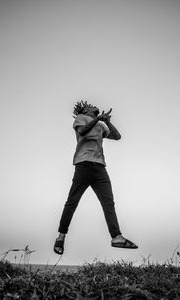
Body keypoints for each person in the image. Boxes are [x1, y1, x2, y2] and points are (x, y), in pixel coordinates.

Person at [54, 100, 138, 255]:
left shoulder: (99, 125)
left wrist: (108, 122)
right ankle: (61, 236)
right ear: (85, 110)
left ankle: (116, 237)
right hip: (83, 164)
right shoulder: (81, 118)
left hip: (100, 167)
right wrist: (97, 119)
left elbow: (117, 136)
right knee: (72, 201)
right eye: (90, 106)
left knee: (108, 203)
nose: (94, 106)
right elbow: (83, 132)